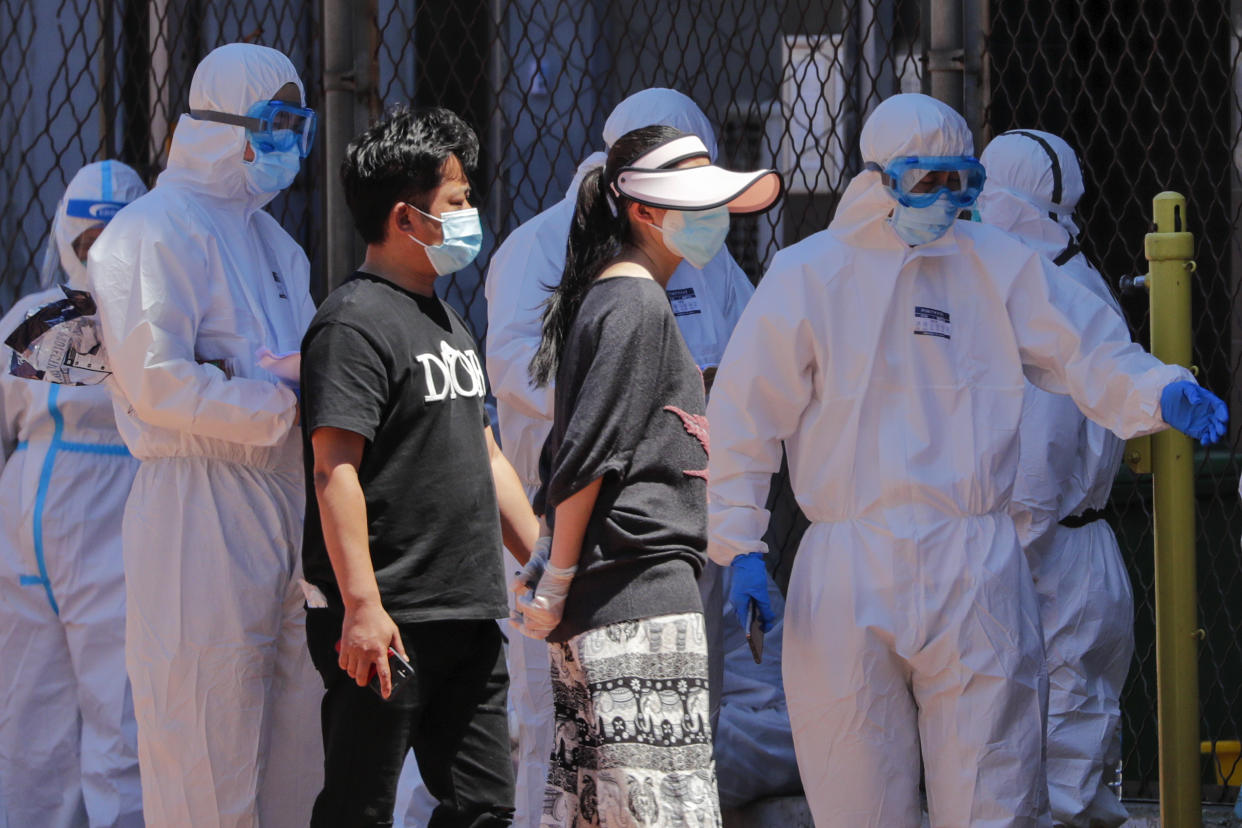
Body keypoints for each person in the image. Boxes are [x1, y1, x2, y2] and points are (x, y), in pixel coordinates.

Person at [705, 92, 1226, 828]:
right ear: (878, 179)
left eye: (963, 181)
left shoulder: (998, 266)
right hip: (853, 562)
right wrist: (739, 541)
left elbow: (1087, 348)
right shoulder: (809, 275)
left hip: (976, 561)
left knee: (996, 790)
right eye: (929, 181)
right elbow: (745, 413)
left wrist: (1159, 390)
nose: (947, 200)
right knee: (855, 788)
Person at [482, 86, 796, 824]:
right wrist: (554, 573)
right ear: (645, 208)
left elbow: (753, 359)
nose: (714, 219)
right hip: (610, 575)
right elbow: (577, 433)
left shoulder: (652, 282)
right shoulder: (609, 287)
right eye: (698, 199)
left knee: (614, 795)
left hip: (641, 569)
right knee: (627, 787)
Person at [87, 43, 323, 827]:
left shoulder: (276, 246)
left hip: (288, 500)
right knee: (202, 737)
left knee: (299, 747)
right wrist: (277, 405)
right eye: (276, 122)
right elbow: (156, 380)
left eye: (299, 123)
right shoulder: (152, 231)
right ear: (222, 125)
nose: (289, 141)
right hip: (198, 509)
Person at [300, 104, 539, 827]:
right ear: (407, 219)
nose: (471, 215)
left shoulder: (449, 323)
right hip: (390, 618)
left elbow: (485, 450)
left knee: (486, 807)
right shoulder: (352, 322)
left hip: (468, 610)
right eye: (457, 201)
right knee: (360, 807)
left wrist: (543, 567)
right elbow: (333, 467)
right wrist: (362, 607)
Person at [977, 129, 1135, 828]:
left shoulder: (1053, 300)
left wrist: (1005, 557)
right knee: (1078, 744)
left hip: (1047, 557)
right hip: (1075, 554)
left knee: (1055, 763)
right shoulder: (1074, 281)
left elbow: (1040, 465)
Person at [0, 160, 146, 828]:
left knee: (119, 718)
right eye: (90, 244)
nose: (101, 257)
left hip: (113, 530)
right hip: (22, 538)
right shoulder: (31, 313)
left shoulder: (158, 320)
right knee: (31, 722)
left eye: (116, 242)